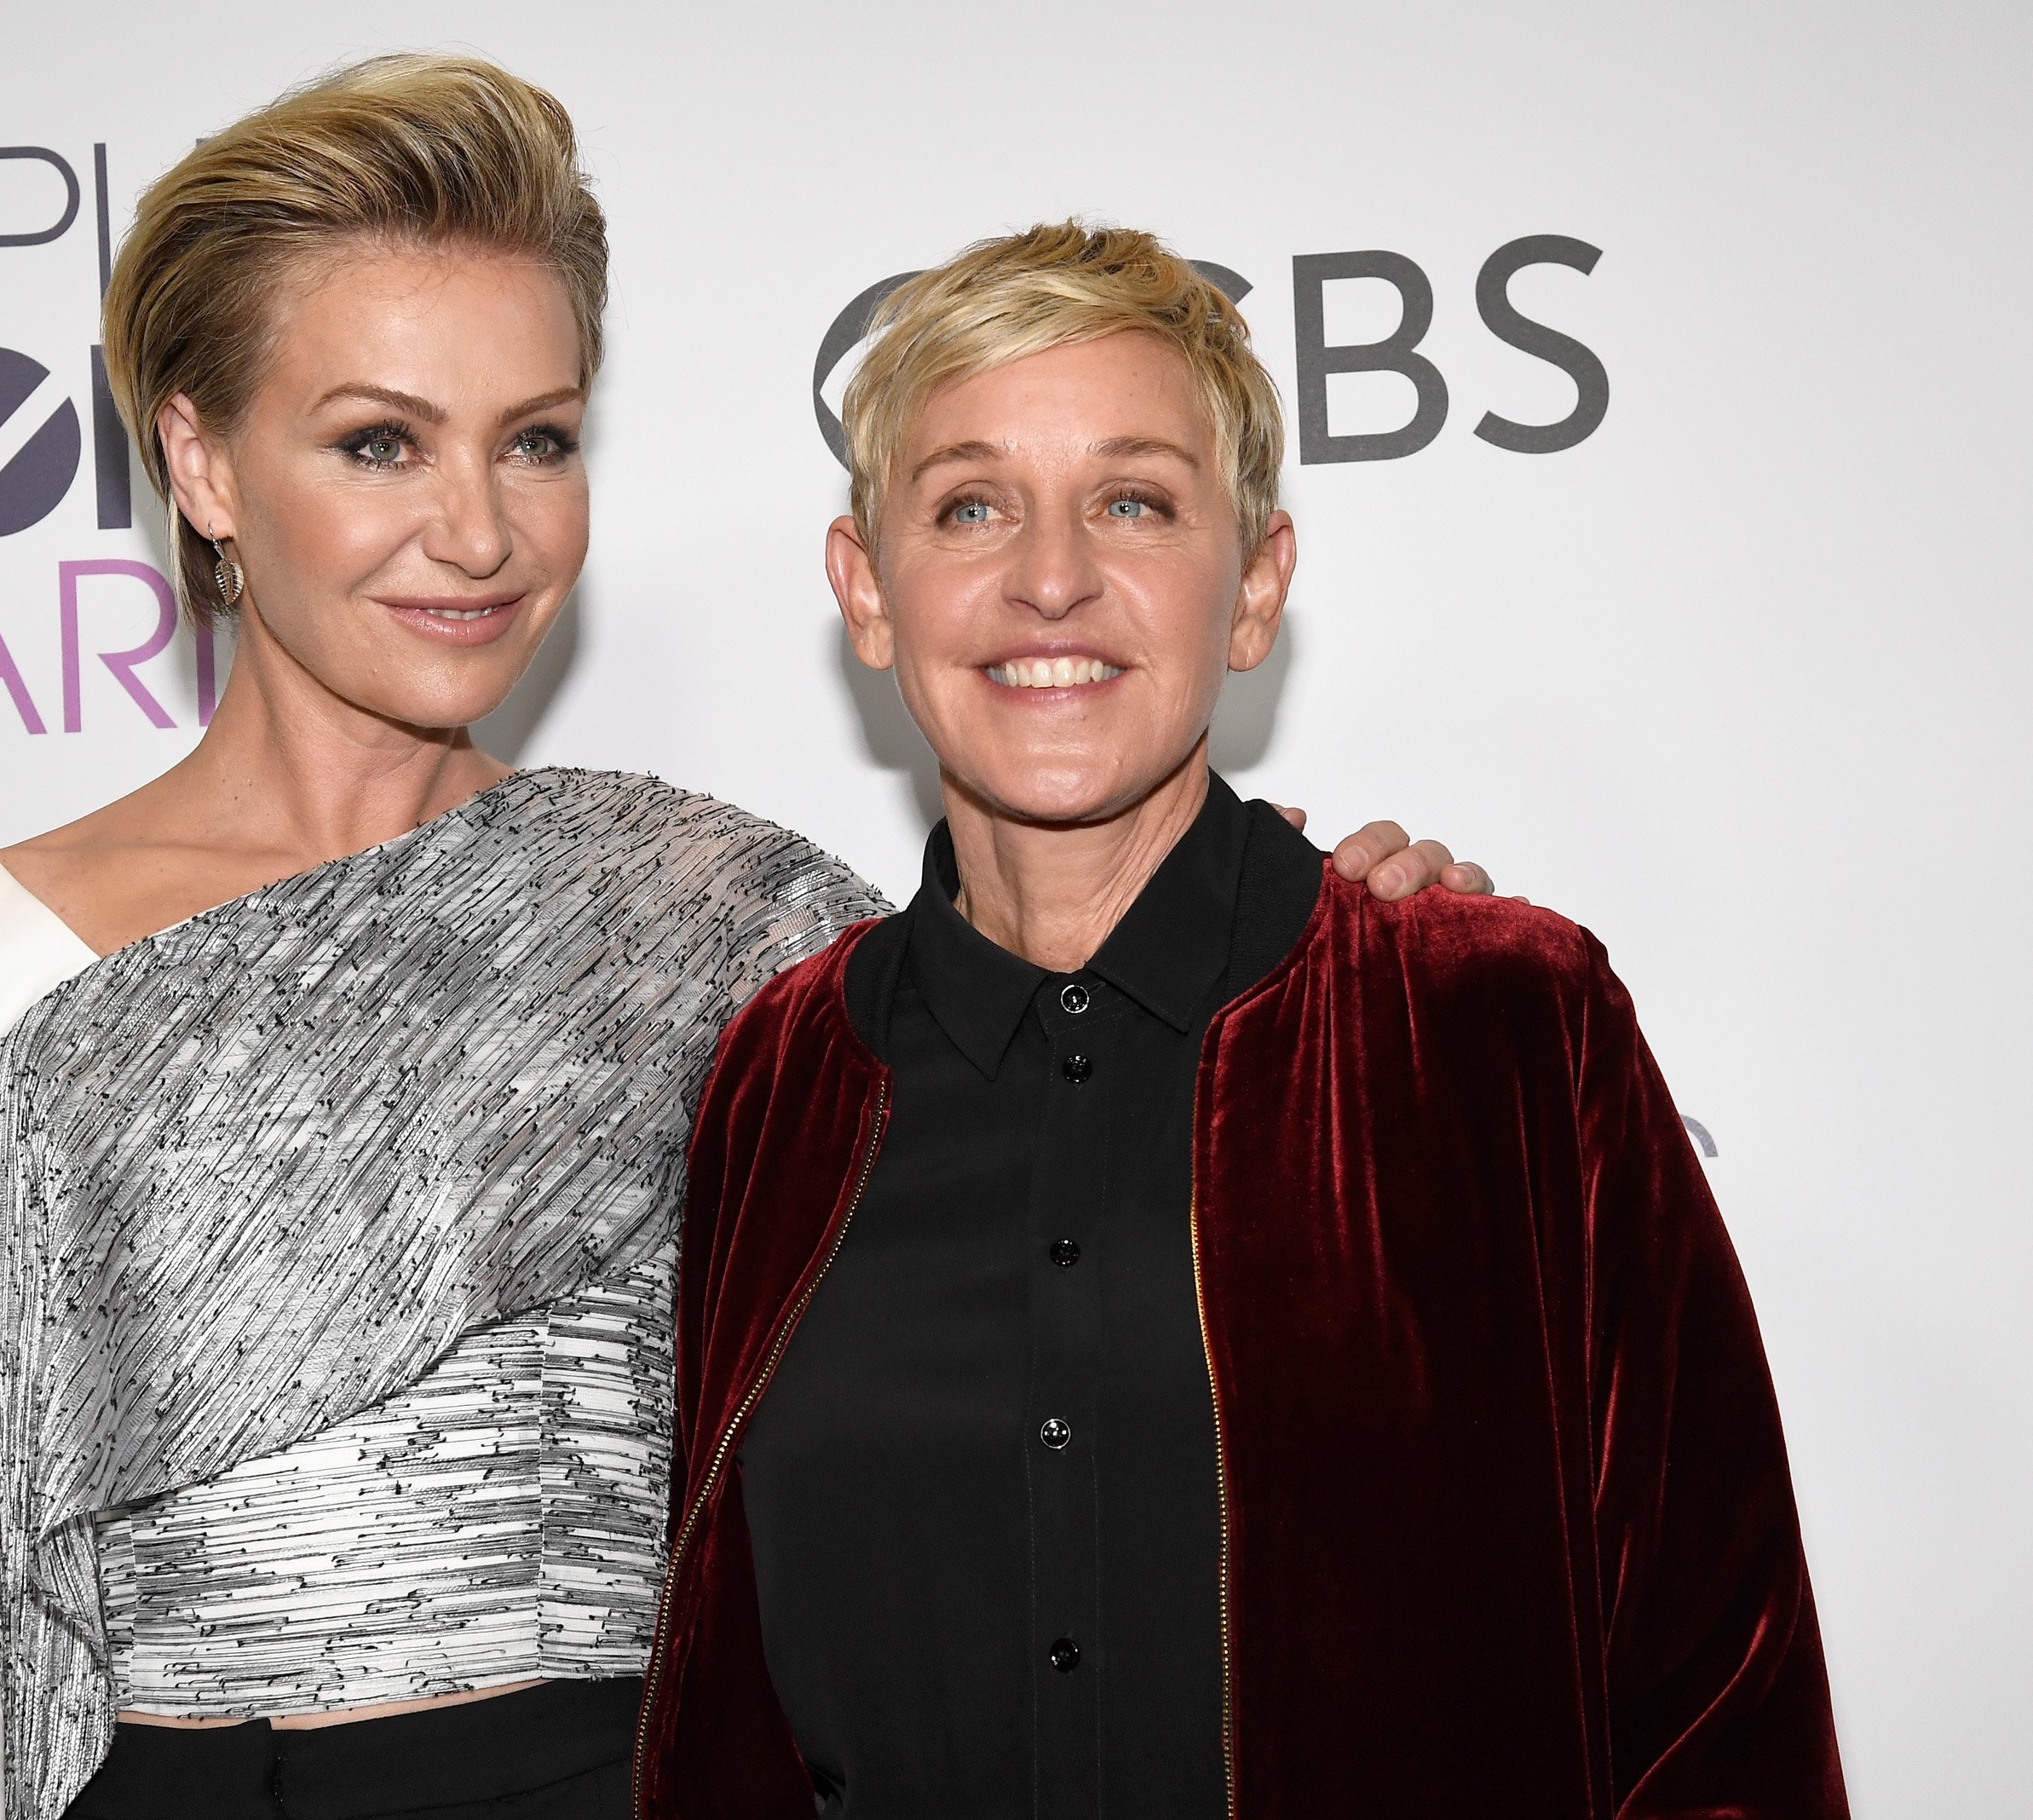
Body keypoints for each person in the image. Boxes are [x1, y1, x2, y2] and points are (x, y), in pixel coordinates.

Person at [0, 63, 1493, 1820]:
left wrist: (1338, 960)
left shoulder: (728, 921)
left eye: (535, 440)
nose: (476, 530)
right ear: (203, 462)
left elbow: (1075, 1172)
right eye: (379, 440)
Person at [636, 222, 1846, 1820]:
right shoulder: (778, 1073)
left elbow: (1720, 1702)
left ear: (1257, 583)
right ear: (868, 589)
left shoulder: (1495, 1024)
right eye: (971, 504)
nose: (1049, 576)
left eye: (1132, 501)